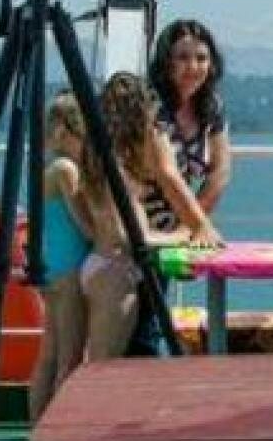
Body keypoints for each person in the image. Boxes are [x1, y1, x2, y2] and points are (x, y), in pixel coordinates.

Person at [80, 72, 213, 360]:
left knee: (106, 364)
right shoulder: (117, 172)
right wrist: (181, 235)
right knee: (104, 370)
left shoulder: (101, 159)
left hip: (104, 265)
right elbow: (126, 236)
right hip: (115, 272)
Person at [27, 93, 93, 422]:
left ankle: (37, 424)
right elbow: (84, 224)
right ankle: (60, 429)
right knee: (70, 356)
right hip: (69, 269)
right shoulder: (67, 169)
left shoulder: (47, 167)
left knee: (49, 353)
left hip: (51, 266)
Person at [144, 19, 233, 226]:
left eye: (201, 58)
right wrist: (199, 227)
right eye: (183, 58)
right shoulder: (149, 105)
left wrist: (190, 228)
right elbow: (167, 173)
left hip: (180, 226)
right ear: (167, 63)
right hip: (136, 226)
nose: (193, 67)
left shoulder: (212, 107)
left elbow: (220, 170)